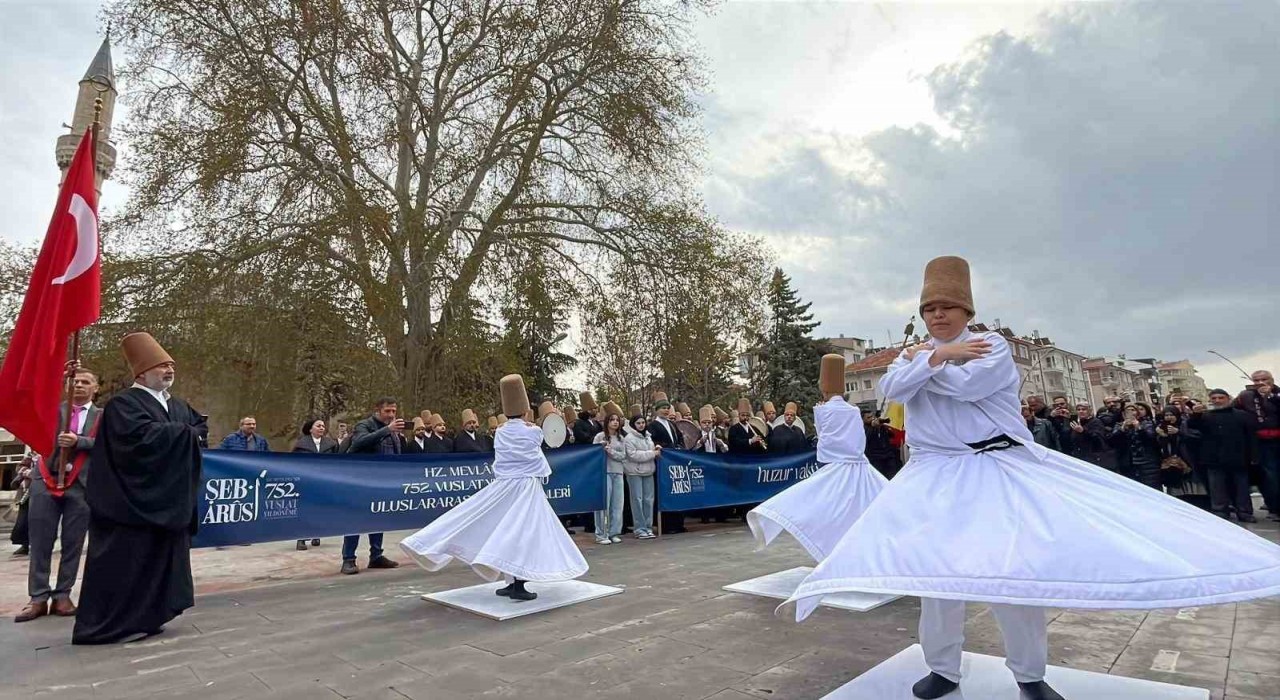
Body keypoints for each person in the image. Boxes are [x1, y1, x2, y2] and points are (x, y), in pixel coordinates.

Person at [785, 256, 1280, 700]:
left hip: (995, 467)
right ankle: (942, 667)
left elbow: (969, 386)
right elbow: (892, 388)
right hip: (933, 472)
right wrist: (936, 358)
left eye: (948, 307)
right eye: (930, 308)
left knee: (1012, 572)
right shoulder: (913, 354)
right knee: (933, 573)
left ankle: (1029, 675)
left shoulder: (991, 345)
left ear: (966, 311)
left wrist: (929, 365)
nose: (938, 315)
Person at [399, 374, 589, 601]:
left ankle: (511, 581)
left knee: (502, 526)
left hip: (505, 486)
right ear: (526, 410)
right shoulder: (533, 432)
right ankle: (517, 582)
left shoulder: (501, 432)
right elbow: (540, 456)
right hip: (526, 488)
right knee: (523, 533)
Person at [73, 333, 207, 645]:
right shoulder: (124, 404)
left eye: (171, 365)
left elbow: (199, 428)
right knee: (128, 564)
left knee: (161, 562)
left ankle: (151, 616)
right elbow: (140, 442)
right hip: (131, 504)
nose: (168, 370)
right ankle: (114, 625)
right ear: (142, 373)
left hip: (168, 500)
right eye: (161, 366)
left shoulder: (177, 405)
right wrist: (184, 434)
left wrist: (184, 433)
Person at [748, 354, 888, 561]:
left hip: (837, 466)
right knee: (859, 509)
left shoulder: (824, 411)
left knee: (829, 508)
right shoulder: (852, 410)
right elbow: (857, 440)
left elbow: (825, 443)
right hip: (858, 467)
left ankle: (841, 553)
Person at [15, 367, 99, 623]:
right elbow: (30, 411)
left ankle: (63, 594)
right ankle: (38, 597)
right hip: (46, 480)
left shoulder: (103, 417)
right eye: (74, 382)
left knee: (73, 544)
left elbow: (111, 444)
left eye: (86, 382)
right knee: (40, 542)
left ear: (96, 387)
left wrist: (79, 441)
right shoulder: (51, 411)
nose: (80, 386)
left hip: (81, 485)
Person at [341, 397, 404, 575]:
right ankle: (348, 559)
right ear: (378, 411)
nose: (391, 415)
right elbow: (359, 442)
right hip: (362, 480)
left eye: (394, 411)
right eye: (387, 411)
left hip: (384, 481)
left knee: (379, 517)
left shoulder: (393, 430)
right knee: (355, 519)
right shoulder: (364, 425)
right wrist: (387, 429)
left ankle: (376, 555)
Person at [1191, 389, 1257, 522]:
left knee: (1242, 488)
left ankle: (1244, 512)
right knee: (1217, 488)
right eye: (1214, 398)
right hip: (1214, 459)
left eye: (1221, 398)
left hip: (1239, 457)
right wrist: (1195, 415)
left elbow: (1251, 437)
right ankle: (1220, 511)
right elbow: (1193, 426)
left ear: (1228, 398)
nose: (1217, 401)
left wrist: (1253, 456)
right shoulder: (1205, 416)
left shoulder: (1242, 415)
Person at [1236, 370, 1280, 520]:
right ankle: (1274, 507)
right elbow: (1230, 410)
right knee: (1269, 475)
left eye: (1264, 379)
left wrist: (1271, 397)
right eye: (1256, 380)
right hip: (1260, 442)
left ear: (1271, 380)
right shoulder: (1245, 396)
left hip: (1277, 437)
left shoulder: (1277, 393)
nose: (1260, 383)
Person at [290, 419, 336, 550]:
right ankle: (301, 538)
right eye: (318, 426)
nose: (322, 428)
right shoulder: (300, 445)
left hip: (324, 480)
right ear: (310, 429)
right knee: (305, 509)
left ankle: (317, 534)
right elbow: (293, 462)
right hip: (306, 481)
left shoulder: (330, 444)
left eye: (323, 426)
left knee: (320, 508)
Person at [1157, 405, 1208, 511]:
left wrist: (1178, 432)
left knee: (1194, 491)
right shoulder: (1160, 428)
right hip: (1172, 465)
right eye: (1166, 415)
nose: (1169, 417)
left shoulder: (1185, 424)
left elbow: (1196, 438)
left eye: (1171, 415)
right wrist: (1161, 436)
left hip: (1188, 460)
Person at [592, 406, 627, 545]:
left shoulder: (621, 438)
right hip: (604, 472)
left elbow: (623, 456)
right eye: (612, 420)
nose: (615, 422)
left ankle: (614, 532)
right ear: (607, 422)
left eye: (617, 420)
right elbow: (593, 454)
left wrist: (610, 451)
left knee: (617, 504)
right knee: (603, 504)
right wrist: (601, 448)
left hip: (618, 472)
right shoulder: (599, 436)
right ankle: (601, 533)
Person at [622, 414, 659, 539]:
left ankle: (648, 526)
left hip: (648, 471)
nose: (641, 425)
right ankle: (639, 528)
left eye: (643, 422)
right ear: (634, 424)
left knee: (648, 500)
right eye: (638, 423)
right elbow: (633, 455)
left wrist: (656, 448)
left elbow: (651, 450)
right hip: (634, 472)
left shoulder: (648, 437)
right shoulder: (629, 438)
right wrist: (652, 453)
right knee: (637, 500)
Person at [1111, 403, 1161, 489]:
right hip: (1128, 464)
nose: (1131, 413)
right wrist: (1123, 429)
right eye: (1128, 411)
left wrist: (1139, 428)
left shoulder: (1146, 424)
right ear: (1123, 414)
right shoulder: (1119, 425)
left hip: (1147, 462)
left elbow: (1151, 438)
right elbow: (1113, 441)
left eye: (1133, 410)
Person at [1062, 403, 1114, 471]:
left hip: (1094, 457)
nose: (1081, 411)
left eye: (1084, 409)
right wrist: (1067, 420)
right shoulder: (1076, 422)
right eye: (1078, 410)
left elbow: (1098, 439)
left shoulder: (1096, 422)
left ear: (1089, 411)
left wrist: (1083, 431)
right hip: (1079, 456)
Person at [862, 408, 903, 479]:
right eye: (869, 417)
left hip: (888, 456)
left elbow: (892, 435)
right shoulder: (863, 429)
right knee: (880, 479)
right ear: (863, 420)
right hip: (875, 459)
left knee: (893, 478)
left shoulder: (881, 426)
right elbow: (866, 438)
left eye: (872, 416)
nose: (872, 419)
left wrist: (882, 426)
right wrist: (873, 427)